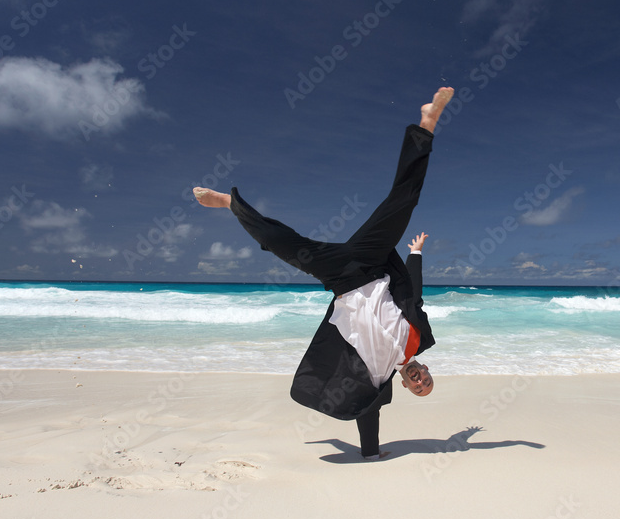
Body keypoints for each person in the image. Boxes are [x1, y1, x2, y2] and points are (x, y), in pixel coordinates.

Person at [193, 87, 454, 460]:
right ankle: (427, 123)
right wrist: (414, 253)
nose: (420, 380)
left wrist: (371, 454)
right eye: (427, 379)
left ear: (408, 388)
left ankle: (231, 204)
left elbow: (368, 413)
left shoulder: (377, 381)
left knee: (281, 243)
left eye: (419, 388)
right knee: (404, 200)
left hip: (344, 280)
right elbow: (414, 294)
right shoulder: (419, 338)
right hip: (375, 262)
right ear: (426, 369)